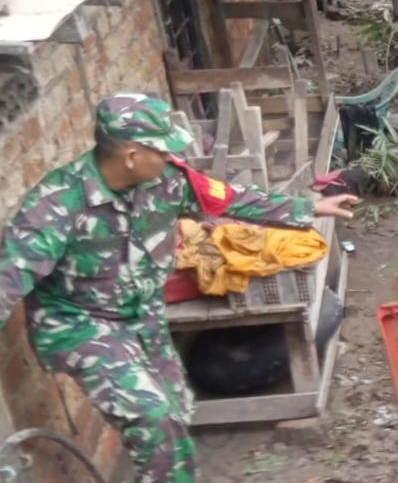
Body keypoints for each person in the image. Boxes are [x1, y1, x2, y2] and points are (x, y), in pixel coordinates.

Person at [0, 93, 359, 483]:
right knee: (152, 415)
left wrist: (307, 209)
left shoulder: (167, 181)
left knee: (175, 410)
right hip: (79, 323)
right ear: (131, 155)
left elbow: (228, 198)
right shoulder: (55, 205)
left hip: (142, 312)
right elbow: (7, 277)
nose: (172, 157)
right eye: (163, 150)